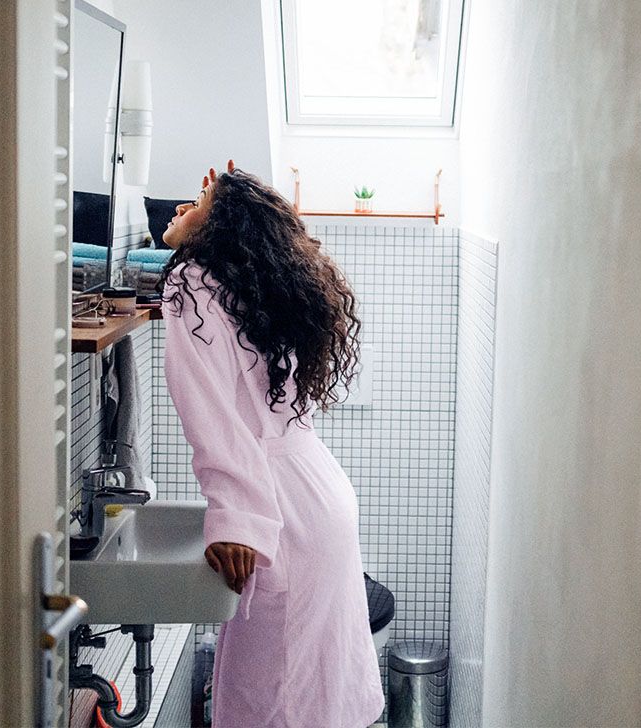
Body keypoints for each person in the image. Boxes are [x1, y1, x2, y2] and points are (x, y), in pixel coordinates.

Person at [157, 161, 384, 727]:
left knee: (275, 703)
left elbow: (211, 417)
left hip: (282, 512)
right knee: (305, 693)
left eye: (200, 203)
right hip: (318, 495)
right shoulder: (245, 290)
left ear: (222, 228)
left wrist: (236, 517)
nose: (184, 207)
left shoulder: (189, 287)